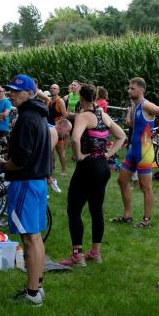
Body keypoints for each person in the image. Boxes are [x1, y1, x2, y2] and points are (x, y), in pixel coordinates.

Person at [0, 75, 51, 306]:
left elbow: (20, 160)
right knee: (35, 236)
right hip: (37, 182)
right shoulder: (39, 115)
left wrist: (2, 165)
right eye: (10, 90)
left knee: (29, 238)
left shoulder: (26, 118)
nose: (12, 94)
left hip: (26, 181)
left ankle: (32, 293)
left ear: (30, 93)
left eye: (17, 91)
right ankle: (37, 285)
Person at [60, 84, 126, 266]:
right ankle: (95, 253)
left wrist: (79, 156)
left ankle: (77, 255)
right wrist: (108, 154)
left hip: (88, 166)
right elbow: (121, 136)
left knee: (74, 209)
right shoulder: (103, 115)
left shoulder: (83, 116)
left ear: (81, 99)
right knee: (96, 209)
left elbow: (75, 138)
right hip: (103, 167)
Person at [112, 77, 159, 228]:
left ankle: (146, 220)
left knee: (145, 187)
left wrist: (157, 131)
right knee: (122, 181)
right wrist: (129, 112)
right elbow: (131, 124)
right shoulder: (135, 106)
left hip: (144, 152)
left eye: (132, 88)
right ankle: (127, 215)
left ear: (141, 90)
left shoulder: (147, 105)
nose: (129, 90)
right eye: (129, 88)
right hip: (133, 150)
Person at [46, 83, 68, 180]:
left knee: (60, 151)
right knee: (50, 150)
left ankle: (64, 170)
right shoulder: (49, 101)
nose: (52, 89)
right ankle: (51, 168)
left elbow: (65, 116)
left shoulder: (60, 101)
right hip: (49, 128)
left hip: (57, 130)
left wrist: (60, 128)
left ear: (58, 91)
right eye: (51, 88)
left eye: (55, 88)